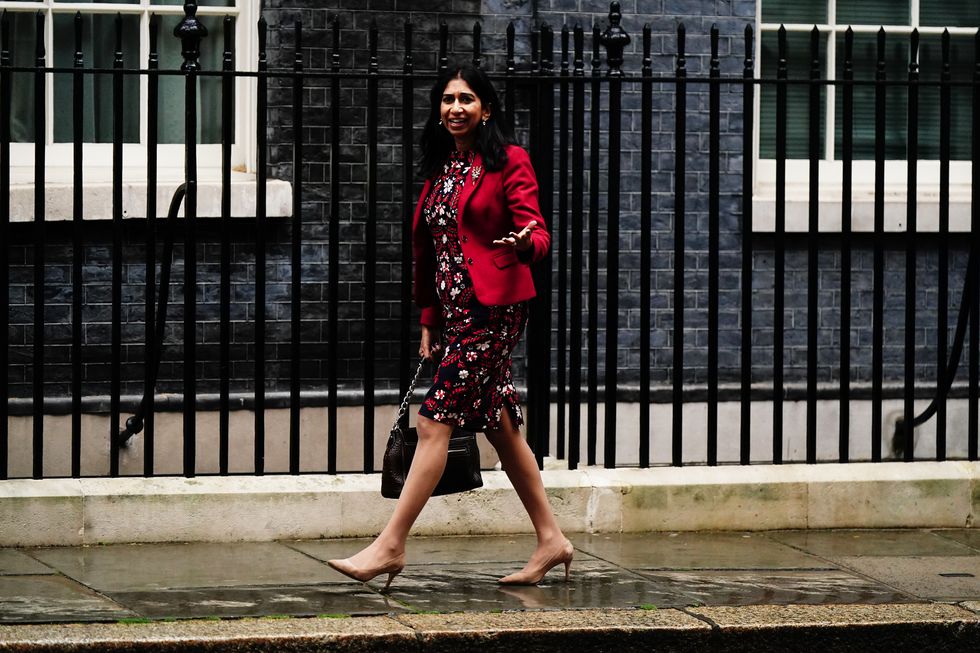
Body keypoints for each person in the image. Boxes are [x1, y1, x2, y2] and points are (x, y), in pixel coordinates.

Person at [328, 65, 573, 589]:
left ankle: (390, 545)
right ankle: (551, 539)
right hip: (457, 314)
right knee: (501, 428)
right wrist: (429, 318)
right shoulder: (442, 170)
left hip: (494, 309)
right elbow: (432, 253)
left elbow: (538, 230)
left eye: (466, 99)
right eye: (446, 100)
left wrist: (522, 243)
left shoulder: (508, 161)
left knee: (434, 422)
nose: (455, 108)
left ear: (486, 108)